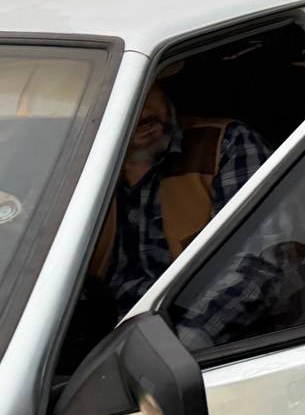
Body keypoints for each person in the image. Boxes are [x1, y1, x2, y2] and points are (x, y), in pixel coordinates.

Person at [88, 81, 272, 316]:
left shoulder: (226, 143)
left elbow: (259, 263)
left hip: (211, 334)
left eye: (146, 93)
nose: (142, 111)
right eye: (120, 99)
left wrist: (183, 340)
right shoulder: (80, 169)